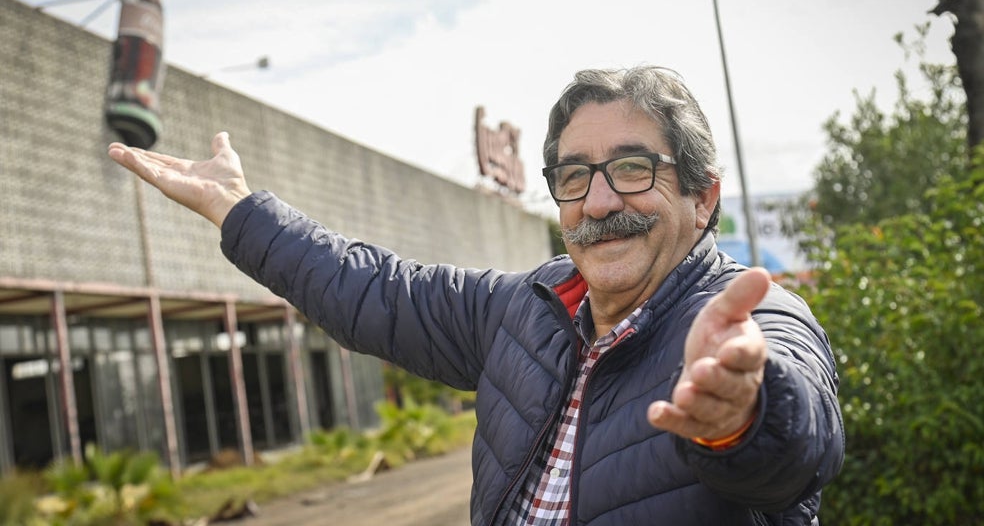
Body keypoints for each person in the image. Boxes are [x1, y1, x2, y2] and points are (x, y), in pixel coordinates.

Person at [109, 66, 843, 525]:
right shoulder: (525, 310)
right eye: (574, 177)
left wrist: (740, 415)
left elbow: (795, 443)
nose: (597, 201)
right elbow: (373, 291)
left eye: (631, 168)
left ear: (702, 196)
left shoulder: (755, 320)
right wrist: (239, 210)